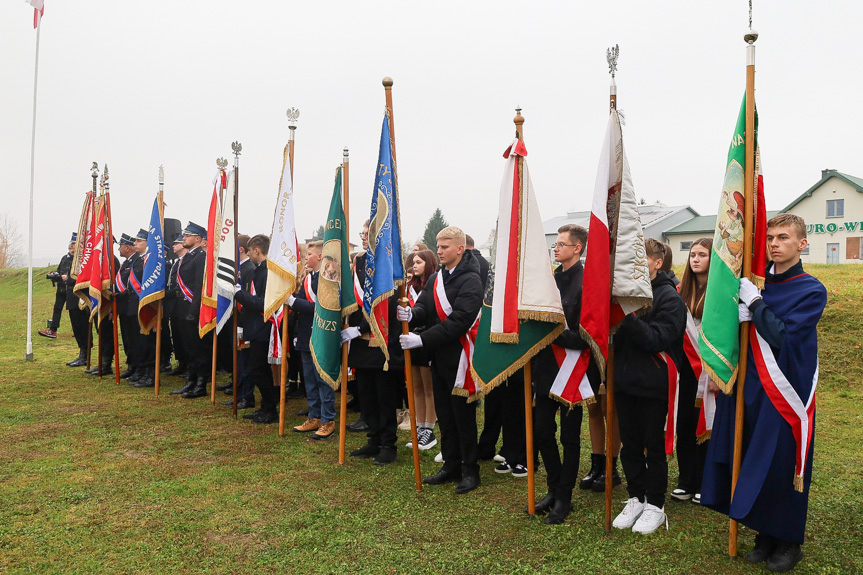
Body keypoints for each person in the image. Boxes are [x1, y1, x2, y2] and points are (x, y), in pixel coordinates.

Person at [702, 214, 826, 573]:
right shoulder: (755, 282)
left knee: (782, 462)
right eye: (770, 237)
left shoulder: (811, 289)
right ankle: (763, 533)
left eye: (783, 237)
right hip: (749, 384)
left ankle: (788, 539)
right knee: (752, 454)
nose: (774, 243)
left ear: (802, 244)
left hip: (787, 389)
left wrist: (755, 306)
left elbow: (784, 337)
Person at [398, 226, 484, 494]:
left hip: (460, 357)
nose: (440, 250)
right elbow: (425, 306)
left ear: (460, 248)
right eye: (438, 245)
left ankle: (471, 470)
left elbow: (460, 320)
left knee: (463, 415)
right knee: (445, 414)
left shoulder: (471, 280)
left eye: (445, 246)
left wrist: (422, 339)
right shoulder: (436, 277)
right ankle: (451, 464)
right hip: (439, 355)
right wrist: (413, 315)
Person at [612, 237, 686, 534]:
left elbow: (657, 340)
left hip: (655, 384)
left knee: (652, 447)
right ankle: (635, 498)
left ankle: (655, 505)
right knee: (629, 445)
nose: (636, 264)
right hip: (625, 380)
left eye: (643, 258)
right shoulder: (625, 292)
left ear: (657, 263)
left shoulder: (670, 298)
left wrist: (626, 316)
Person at [531, 224, 599, 524]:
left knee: (570, 438)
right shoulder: (551, 280)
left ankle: (565, 496)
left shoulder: (588, 283)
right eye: (555, 244)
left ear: (578, 248)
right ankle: (553, 487)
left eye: (562, 244)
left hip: (576, 371)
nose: (556, 249)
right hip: (546, 369)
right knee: (542, 430)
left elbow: (587, 335)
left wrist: (552, 333)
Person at [344, 221, 406, 466]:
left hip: (382, 340)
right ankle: (373, 439)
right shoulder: (359, 261)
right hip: (359, 341)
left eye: (367, 233)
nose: (363, 237)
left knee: (385, 395)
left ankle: (388, 444)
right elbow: (353, 298)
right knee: (366, 393)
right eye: (362, 233)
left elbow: (387, 304)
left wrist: (361, 328)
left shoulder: (390, 262)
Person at [671, 238, 714, 504]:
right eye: (692, 254)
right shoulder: (679, 291)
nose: (695, 259)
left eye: (702, 255)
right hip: (685, 370)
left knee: (708, 424)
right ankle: (686, 480)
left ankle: (705, 482)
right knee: (685, 425)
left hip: (711, 372)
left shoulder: (721, 292)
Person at [289, 240, 337, 439]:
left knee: (322, 379)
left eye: (309, 254)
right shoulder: (308, 279)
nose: (306, 257)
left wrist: (293, 301)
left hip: (321, 335)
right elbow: (301, 311)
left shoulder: (328, 279)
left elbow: (321, 308)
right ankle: (314, 416)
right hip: (304, 334)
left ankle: (328, 420)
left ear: (319, 256)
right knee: (308, 378)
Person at [233, 234, 280, 424]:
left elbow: (264, 303)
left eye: (251, 251)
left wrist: (240, 295)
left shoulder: (268, 272)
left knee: (258, 370)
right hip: (255, 326)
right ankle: (266, 407)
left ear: (257, 250)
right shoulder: (258, 271)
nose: (250, 255)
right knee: (259, 370)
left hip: (263, 326)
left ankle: (271, 409)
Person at [170, 222, 209, 397]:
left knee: (197, 347)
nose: (184, 238)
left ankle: (200, 384)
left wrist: (193, 312)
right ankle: (191, 380)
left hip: (192, 307)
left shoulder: (201, 257)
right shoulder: (187, 257)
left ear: (198, 239)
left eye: (187, 235)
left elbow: (200, 286)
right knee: (188, 347)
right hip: (181, 306)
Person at [403, 249, 438, 451]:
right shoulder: (410, 286)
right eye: (413, 262)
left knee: (428, 387)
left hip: (425, 339)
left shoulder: (434, 285)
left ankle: (429, 427)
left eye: (419, 262)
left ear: (429, 263)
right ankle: (418, 425)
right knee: (414, 386)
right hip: (410, 340)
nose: (414, 265)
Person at [220, 234, 256, 410]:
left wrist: (241, 322)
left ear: (240, 250)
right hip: (235, 318)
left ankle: (246, 396)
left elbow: (247, 298)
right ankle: (239, 393)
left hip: (245, 320)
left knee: (245, 362)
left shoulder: (249, 269)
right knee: (239, 360)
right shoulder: (238, 269)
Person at [116, 233, 145, 383]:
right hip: (126, 306)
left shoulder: (138, 261)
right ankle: (133, 366)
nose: (118, 249)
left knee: (138, 339)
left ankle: (141, 368)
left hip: (134, 305)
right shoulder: (128, 262)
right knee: (129, 339)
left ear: (126, 247)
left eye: (120, 246)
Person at [40, 239, 74, 339]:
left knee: (74, 311)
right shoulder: (64, 258)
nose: (72, 248)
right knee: (57, 309)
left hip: (72, 290)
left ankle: (78, 331)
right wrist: (55, 275)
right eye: (71, 246)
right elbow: (59, 271)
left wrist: (68, 278)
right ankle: (53, 330)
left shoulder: (78, 260)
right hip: (61, 289)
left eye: (74, 246)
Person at [165, 236, 189, 377]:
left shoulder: (187, 261)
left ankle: (189, 364)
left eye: (177, 243)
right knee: (177, 335)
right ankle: (182, 362)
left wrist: (169, 293)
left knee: (186, 336)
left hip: (184, 302)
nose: (174, 245)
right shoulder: (176, 263)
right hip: (174, 305)